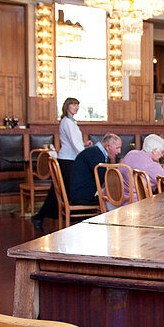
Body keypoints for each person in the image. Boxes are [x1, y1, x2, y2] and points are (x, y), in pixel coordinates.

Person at [32, 96, 85, 231]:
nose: (76, 107)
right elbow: (73, 143)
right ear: (67, 106)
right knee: (60, 191)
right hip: (67, 160)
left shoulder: (72, 122)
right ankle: (42, 217)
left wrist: (85, 145)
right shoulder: (67, 122)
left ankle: (44, 216)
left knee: (60, 191)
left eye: (77, 105)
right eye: (73, 105)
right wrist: (84, 155)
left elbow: (74, 142)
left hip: (70, 159)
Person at [69, 133, 122, 204]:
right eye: (117, 148)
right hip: (83, 197)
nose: (119, 151)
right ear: (108, 147)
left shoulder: (94, 151)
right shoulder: (96, 154)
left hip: (79, 193)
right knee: (115, 201)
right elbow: (105, 179)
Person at [121, 134, 164, 200]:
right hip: (134, 204)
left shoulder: (131, 153)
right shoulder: (151, 165)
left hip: (112, 199)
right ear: (154, 151)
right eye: (162, 152)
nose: (162, 155)